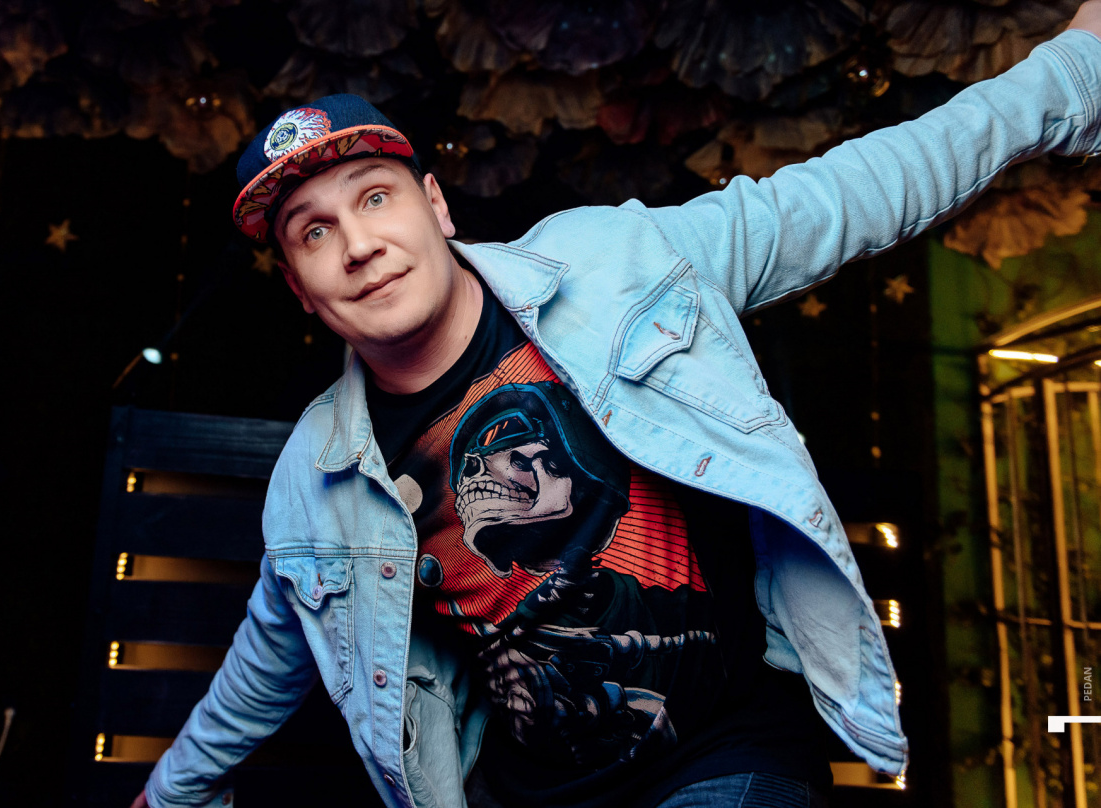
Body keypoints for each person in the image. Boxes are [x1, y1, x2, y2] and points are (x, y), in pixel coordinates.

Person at [133, 6, 1101, 807]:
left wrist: (1065, 73)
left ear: (434, 203)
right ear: (299, 289)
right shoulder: (317, 475)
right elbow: (265, 663)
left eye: (374, 197)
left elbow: (845, 196)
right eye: (313, 232)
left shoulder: (617, 266)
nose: (357, 244)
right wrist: (166, 794)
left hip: (725, 751)